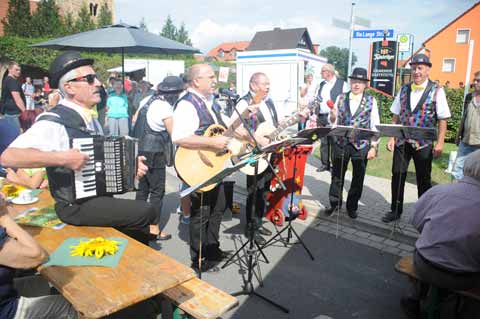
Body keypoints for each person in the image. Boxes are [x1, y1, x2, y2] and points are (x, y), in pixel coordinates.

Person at [0, 51, 156, 244]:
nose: (98, 83)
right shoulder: (53, 121)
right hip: (74, 205)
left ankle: (131, 256)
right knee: (146, 211)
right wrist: (63, 158)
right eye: (90, 79)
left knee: (138, 224)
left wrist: (130, 168)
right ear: (69, 87)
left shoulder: (90, 119)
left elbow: (102, 162)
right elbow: (8, 157)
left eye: (96, 78)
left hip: (97, 198)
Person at [402, 150, 480, 318]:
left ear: (466, 166)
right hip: (465, 277)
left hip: (425, 265)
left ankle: (414, 297)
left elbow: (416, 220)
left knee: (427, 249)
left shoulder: (440, 191)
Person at [171, 64, 231, 272]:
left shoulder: (209, 102)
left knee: (218, 207)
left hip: (212, 166)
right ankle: (199, 259)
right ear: (196, 81)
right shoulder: (187, 104)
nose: (215, 80)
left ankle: (213, 249)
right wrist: (213, 144)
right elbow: (179, 137)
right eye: (210, 77)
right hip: (196, 167)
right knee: (202, 212)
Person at [382, 54, 451, 223]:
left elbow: (443, 119)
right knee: (397, 176)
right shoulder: (404, 89)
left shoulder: (437, 90)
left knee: (423, 179)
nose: (416, 71)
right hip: (402, 141)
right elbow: (396, 115)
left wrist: (440, 143)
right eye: (414, 68)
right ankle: (395, 210)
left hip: (424, 144)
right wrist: (392, 137)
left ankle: (423, 214)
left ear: (428, 70)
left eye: (420, 68)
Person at [0, 193, 79, 319]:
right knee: (73, 306)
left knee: (47, 282)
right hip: (6, 310)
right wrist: (3, 216)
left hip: (6, 289)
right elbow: (37, 256)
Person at [324, 67, 380, 218]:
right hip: (341, 143)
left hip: (361, 145)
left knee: (358, 177)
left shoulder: (371, 100)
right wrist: (333, 116)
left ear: (365, 84)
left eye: (360, 82)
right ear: (350, 82)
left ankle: (352, 207)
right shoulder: (341, 98)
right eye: (354, 81)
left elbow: (375, 124)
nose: (356, 84)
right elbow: (332, 122)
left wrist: (374, 146)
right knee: (337, 176)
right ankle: (335, 204)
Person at [133, 76, 183, 242]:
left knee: (142, 189)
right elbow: (175, 134)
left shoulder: (148, 100)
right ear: (173, 94)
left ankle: (136, 223)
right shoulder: (165, 107)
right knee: (157, 192)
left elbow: (134, 119)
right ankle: (153, 228)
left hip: (140, 149)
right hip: (155, 152)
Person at [234, 72, 278, 244]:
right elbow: (235, 128)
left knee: (264, 191)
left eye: (268, 84)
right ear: (253, 85)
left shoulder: (269, 102)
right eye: (264, 84)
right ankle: (251, 228)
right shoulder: (245, 102)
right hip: (252, 153)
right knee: (254, 192)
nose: (267, 87)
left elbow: (272, 124)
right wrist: (255, 138)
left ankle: (258, 222)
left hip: (267, 152)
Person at [315, 63, 349, 172]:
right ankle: (325, 164)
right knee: (324, 142)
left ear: (329, 72)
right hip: (322, 116)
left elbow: (346, 100)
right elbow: (316, 98)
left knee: (335, 141)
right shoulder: (321, 84)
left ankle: (336, 165)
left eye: (322, 71)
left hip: (335, 117)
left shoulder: (342, 84)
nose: (321, 73)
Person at [452, 71, 480, 180]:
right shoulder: (469, 97)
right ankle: (455, 194)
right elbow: (464, 117)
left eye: (479, 80)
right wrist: (458, 135)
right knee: (457, 170)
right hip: (466, 141)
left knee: (476, 173)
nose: (476, 82)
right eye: (475, 80)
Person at [0, 61, 26, 134]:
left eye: (19, 70)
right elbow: (17, 99)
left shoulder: (7, 80)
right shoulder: (12, 81)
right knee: (17, 135)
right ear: (9, 69)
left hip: (9, 112)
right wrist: (26, 112)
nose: (19, 72)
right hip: (14, 114)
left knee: (10, 134)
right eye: (16, 70)